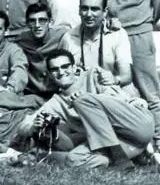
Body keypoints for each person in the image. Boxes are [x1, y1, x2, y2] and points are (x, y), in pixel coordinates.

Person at [89, 0, 160, 154]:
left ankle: (159, 142)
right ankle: (127, 146)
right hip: (111, 38)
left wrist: (145, 22)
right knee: (114, 88)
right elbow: (96, 2)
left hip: (139, 35)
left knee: (149, 89)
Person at [19, 49, 153, 168]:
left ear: (74, 67)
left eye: (65, 66)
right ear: (49, 74)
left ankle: (120, 158)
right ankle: (135, 155)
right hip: (121, 140)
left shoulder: (94, 76)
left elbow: (125, 101)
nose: (61, 72)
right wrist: (34, 127)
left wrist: (87, 99)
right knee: (74, 158)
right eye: (54, 69)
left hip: (135, 125)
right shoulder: (56, 102)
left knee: (82, 100)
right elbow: (24, 126)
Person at [59, 0, 137, 97]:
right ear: (79, 10)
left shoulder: (118, 35)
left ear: (105, 12)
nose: (89, 14)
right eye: (84, 8)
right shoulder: (68, 38)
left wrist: (115, 79)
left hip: (112, 91)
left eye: (95, 9)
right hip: (82, 94)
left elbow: (127, 76)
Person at [15, 3, 68, 100]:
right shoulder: (22, 40)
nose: (37, 25)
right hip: (32, 93)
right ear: (27, 23)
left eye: (42, 20)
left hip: (56, 93)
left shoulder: (62, 36)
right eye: (32, 21)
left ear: (50, 22)